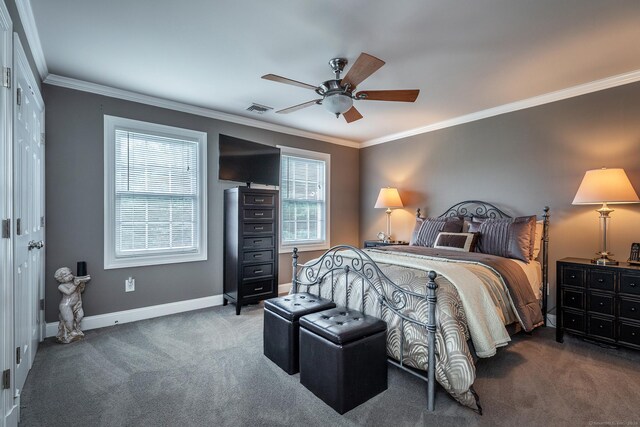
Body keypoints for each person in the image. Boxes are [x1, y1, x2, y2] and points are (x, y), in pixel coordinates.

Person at [55, 267, 90, 344]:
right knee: (69, 320)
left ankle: (76, 329)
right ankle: (70, 332)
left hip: (76, 304)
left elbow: (80, 291)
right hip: (66, 305)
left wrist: (82, 284)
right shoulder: (61, 286)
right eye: (67, 275)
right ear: (61, 278)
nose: (70, 276)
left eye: (70, 274)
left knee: (80, 315)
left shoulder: (73, 282)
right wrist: (75, 284)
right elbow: (68, 292)